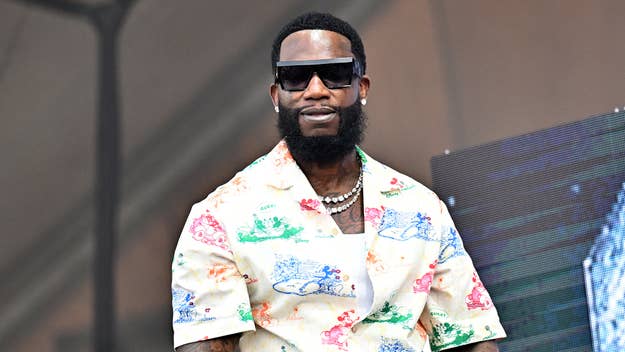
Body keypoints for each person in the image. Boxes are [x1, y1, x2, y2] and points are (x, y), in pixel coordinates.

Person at [172, 12, 506, 352]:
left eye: (335, 75)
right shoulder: (217, 218)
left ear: (361, 88)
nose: (316, 90)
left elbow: (472, 337)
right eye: (296, 78)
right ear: (276, 96)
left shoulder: (421, 207)